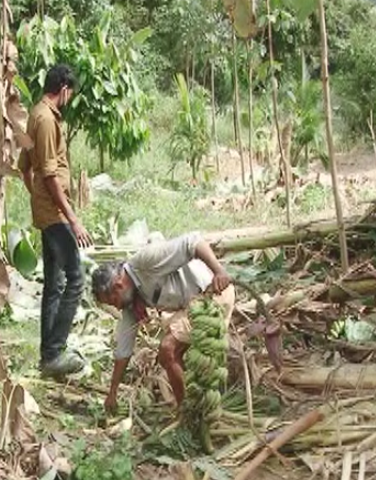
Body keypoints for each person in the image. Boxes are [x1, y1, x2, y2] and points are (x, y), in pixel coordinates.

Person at [91, 233, 235, 414]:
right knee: (170, 355)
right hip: (191, 307)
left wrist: (219, 272)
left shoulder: (144, 262)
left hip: (213, 295)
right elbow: (123, 351)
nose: (117, 307)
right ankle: (191, 405)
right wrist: (112, 393)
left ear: (119, 285)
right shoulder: (131, 302)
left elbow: (194, 242)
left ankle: (187, 412)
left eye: (113, 302)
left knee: (167, 348)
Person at [20, 64, 92, 377]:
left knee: (54, 284)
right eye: (70, 94)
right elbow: (48, 174)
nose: (69, 99)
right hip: (55, 214)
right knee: (76, 279)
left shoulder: (34, 113)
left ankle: (47, 356)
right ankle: (54, 353)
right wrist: (71, 218)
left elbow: (25, 167)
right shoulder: (47, 119)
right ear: (63, 89)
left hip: (46, 210)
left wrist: (37, 200)